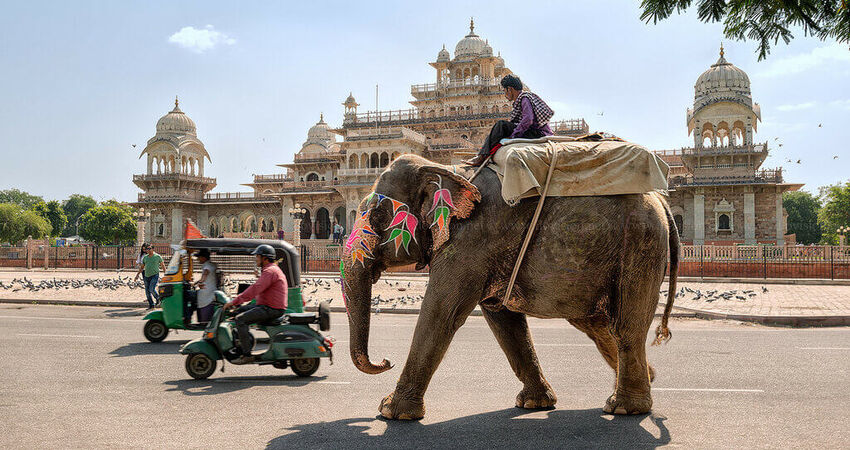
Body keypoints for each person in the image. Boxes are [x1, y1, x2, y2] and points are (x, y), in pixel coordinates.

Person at [466, 74, 554, 167]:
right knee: (497, 131)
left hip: (537, 133)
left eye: (504, 91)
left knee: (501, 125)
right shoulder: (521, 99)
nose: (505, 94)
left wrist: (513, 136)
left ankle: (482, 156)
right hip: (532, 132)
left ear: (510, 89)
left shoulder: (524, 98)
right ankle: (484, 155)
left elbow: (528, 120)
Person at [222, 244, 288, 364]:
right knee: (237, 312)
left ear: (265, 258)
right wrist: (236, 305)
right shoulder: (269, 270)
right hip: (266, 306)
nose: (256, 259)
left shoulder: (270, 271)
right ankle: (241, 341)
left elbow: (255, 289)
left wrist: (234, 301)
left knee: (240, 320)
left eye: (258, 257)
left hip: (271, 309)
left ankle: (247, 354)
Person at [134, 244, 165, 309]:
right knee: (147, 291)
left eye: (149, 248)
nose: (148, 250)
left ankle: (158, 298)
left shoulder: (157, 256)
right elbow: (142, 267)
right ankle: (151, 305)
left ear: (153, 249)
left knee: (151, 289)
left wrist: (166, 273)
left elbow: (162, 265)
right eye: (147, 249)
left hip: (155, 275)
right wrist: (137, 275)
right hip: (146, 275)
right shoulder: (145, 257)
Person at [192, 249, 218, 323]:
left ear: (204, 257)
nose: (198, 259)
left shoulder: (207, 266)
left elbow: (203, 277)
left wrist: (195, 283)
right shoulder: (211, 264)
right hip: (211, 290)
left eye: (199, 257)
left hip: (207, 293)